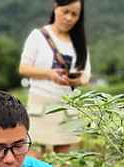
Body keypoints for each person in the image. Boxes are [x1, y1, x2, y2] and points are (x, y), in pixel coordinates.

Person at [19, 0, 91, 155]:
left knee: (63, 160)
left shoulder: (79, 43)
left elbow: (86, 75)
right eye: (65, 11)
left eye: (74, 14)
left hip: (67, 106)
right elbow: (23, 68)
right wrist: (49, 74)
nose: (69, 18)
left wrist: (76, 80)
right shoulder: (38, 36)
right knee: (34, 156)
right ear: (55, 7)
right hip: (40, 105)